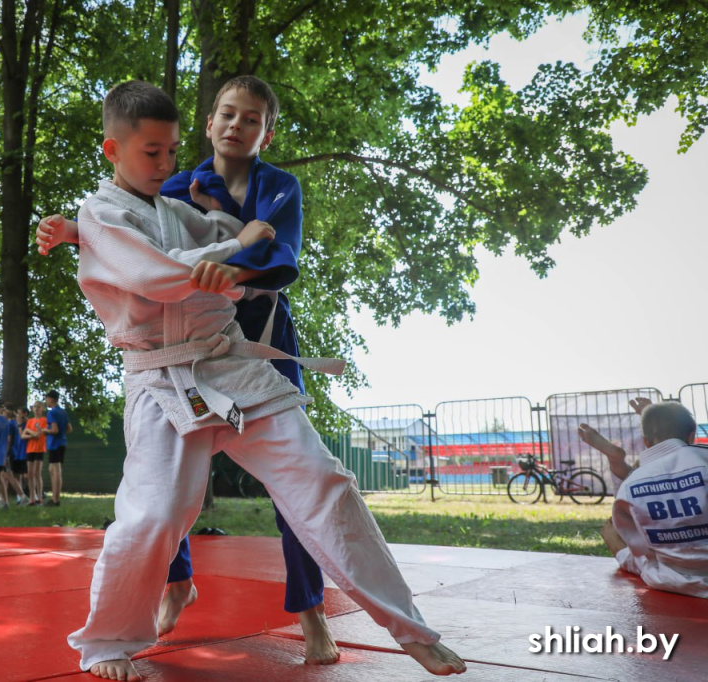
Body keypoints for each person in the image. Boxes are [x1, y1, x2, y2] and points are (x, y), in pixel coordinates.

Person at [63, 80, 465, 680]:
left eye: (172, 151)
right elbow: (159, 275)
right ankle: (107, 643)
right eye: (152, 153)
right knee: (154, 516)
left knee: (325, 481)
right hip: (163, 381)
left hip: (233, 366)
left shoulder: (177, 208)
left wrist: (235, 250)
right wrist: (233, 247)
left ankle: (409, 628)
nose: (167, 164)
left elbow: (240, 249)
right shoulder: (100, 214)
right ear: (112, 150)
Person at [38, 75, 334, 660]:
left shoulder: (279, 188)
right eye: (227, 113)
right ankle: (177, 585)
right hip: (186, 348)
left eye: (251, 118)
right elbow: (131, 241)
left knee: (297, 481)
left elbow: (280, 252)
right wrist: (76, 232)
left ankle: (311, 611)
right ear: (209, 122)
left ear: (265, 133)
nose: (235, 125)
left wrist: (231, 269)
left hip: (258, 330)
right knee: (163, 480)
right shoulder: (174, 181)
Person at [579, 399, 708, 598]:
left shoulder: (632, 483)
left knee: (614, 534)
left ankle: (615, 461)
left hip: (671, 577)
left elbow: (639, 548)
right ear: (691, 436)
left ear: (645, 442)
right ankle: (617, 461)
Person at [42, 390, 71, 507]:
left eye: (47, 399)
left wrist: (44, 431)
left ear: (51, 399)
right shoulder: (63, 412)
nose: (46, 401)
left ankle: (55, 499)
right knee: (52, 469)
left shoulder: (51, 413)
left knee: (55, 471)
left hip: (54, 444)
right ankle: (55, 498)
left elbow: (54, 430)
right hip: (62, 442)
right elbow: (69, 428)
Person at [2, 403, 28, 505]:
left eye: (5, 410)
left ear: (9, 412)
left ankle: (22, 496)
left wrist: (4, 454)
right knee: (4, 476)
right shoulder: (13, 423)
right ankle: (3, 499)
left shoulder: (10, 424)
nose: (3, 412)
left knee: (8, 475)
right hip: (14, 452)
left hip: (9, 453)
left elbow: (8, 440)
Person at [24, 400, 47, 505]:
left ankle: (40, 498)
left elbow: (38, 435)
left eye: (38, 407)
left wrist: (30, 432)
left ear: (42, 409)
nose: (36, 409)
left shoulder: (44, 420)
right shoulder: (30, 421)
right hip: (30, 449)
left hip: (39, 449)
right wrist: (32, 433)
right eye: (34, 407)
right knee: (30, 474)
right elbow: (23, 435)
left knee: (37, 473)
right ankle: (32, 498)